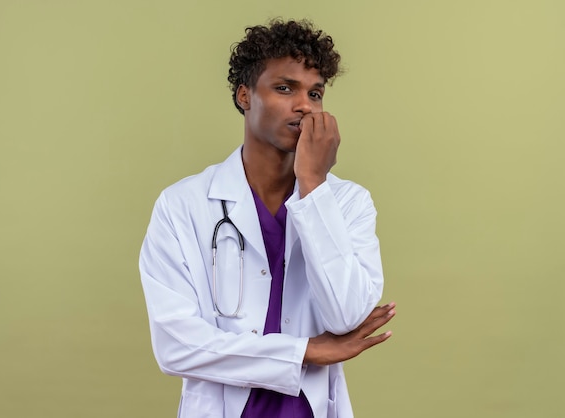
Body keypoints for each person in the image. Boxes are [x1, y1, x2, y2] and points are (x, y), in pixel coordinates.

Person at [139, 19, 396, 418]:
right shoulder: (182, 206)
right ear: (245, 96)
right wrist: (304, 352)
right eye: (284, 87)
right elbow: (177, 346)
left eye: (315, 93)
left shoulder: (346, 203)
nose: (305, 105)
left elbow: (346, 318)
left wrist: (313, 186)